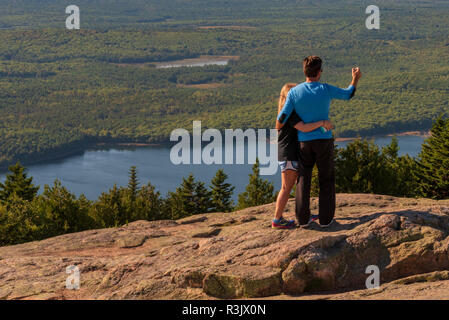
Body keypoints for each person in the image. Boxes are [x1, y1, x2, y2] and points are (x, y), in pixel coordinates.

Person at [276, 56, 362, 228]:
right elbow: (348, 94)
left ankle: (303, 219)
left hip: (304, 143)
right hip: (323, 140)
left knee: (303, 179)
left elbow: (282, 118)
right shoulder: (325, 89)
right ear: (319, 72)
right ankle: (325, 219)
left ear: (305, 72)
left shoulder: (294, 92)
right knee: (327, 179)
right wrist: (355, 79)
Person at [272, 83, 334, 229]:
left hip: (289, 154)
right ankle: (277, 219)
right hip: (289, 155)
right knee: (286, 187)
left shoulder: (286, 113)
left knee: (296, 186)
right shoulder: (290, 114)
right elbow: (304, 128)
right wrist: (323, 123)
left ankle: (304, 214)